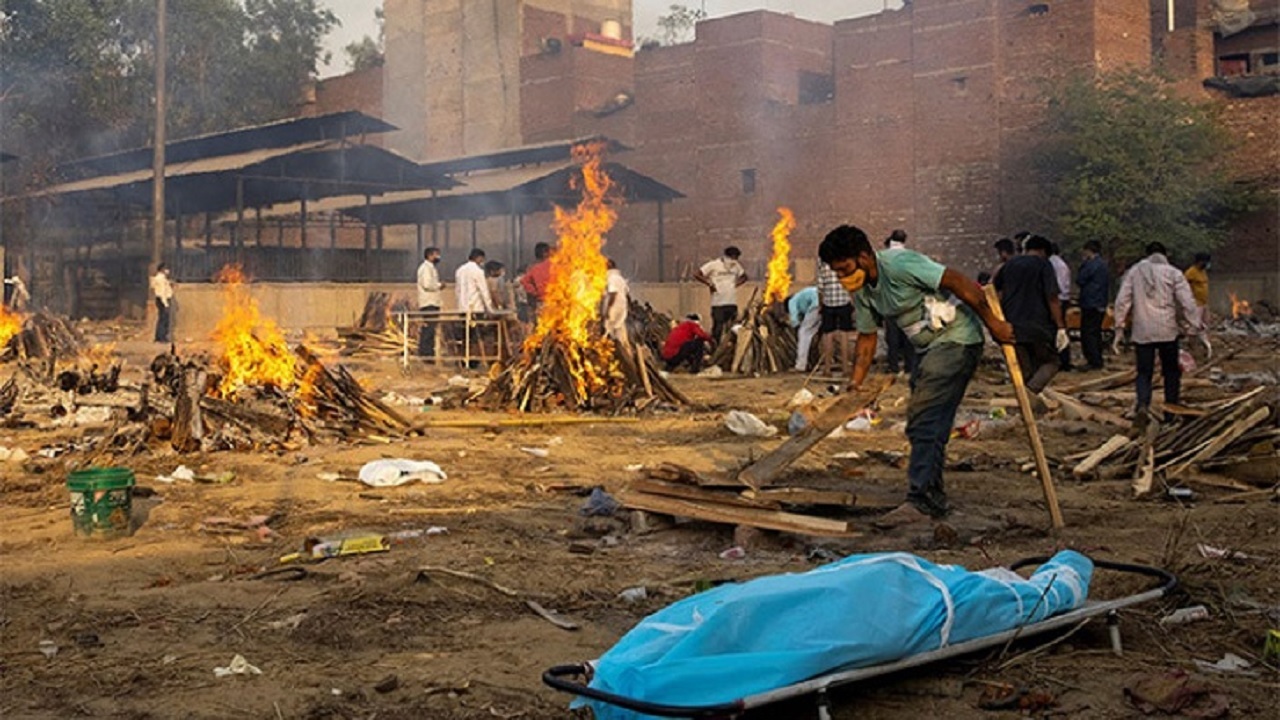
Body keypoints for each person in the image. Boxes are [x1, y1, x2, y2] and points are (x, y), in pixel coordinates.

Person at [818, 225, 1014, 527]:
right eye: (837, 273)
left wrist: (993, 325)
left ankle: (922, 500)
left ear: (864, 256)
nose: (843, 278)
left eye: (845, 269)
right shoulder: (864, 292)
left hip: (956, 339)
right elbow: (867, 338)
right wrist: (855, 384)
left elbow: (958, 282)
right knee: (931, 422)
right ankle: (931, 497)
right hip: (927, 349)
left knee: (924, 416)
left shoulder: (900, 264)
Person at [1114, 242, 1201, 426]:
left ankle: (1143, 406)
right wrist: (1193, 327)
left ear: (1147, 254)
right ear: (1165, 254)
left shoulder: (1134, 272)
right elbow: (1188, 302)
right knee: (1171, 372)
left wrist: (1119, 327)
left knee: (1144, 372)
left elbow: (1122, 300)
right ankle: (1170, 410)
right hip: (1167, 331)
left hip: (1142, 332)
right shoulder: (1173, 273)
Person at [993, 235, 1068, 394]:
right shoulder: (1043, 265)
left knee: (1025, 370)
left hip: (1013, 326)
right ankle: (1029, 394)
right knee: (1052, 362)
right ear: (1043, 251)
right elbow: (1052, 297)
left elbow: (994, 292)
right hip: (1039, 325)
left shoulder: (1009, 265)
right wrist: (1061, 327)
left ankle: (1027, 403)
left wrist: (998, 320)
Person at [694, 246, 748, 342]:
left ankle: (730, 347)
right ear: (727, 256)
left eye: (736, 258)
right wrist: (709, 284)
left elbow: (744, 277)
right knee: (718, 327)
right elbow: (697, 274)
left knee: (732, 327)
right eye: (733, 258)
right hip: (718, 303)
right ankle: (715, 347)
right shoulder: (713, 265)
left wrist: (735, 285)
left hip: (731, 302)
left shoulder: (736, 266)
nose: (734, 260)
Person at [882, 231, 917, 376]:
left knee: (892, 336)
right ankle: (910, 366)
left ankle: (893, 366)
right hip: (908, 301)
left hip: (890, 301)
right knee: (908, 334)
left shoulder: (883, 258)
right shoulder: (911, 257)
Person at [816, 260, 855, 377]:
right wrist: (852, 301)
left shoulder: (822, 262)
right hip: (844, 302)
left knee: (828, 335)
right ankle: (845, 369)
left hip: (828, 304)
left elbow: (820, 287)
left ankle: (827, 369)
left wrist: (820, 305)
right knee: (844, 335)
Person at [1076, 240, 1109, 370]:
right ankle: (1097, 358)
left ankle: (1092, 360)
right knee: (1096, 332)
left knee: (1088, 332)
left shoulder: (1090, 265)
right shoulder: (1103, 265)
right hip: (1100, 302)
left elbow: (1080, 279)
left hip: (1090, 302)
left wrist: (1083, 264)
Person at [1049, 243, 1073, 371]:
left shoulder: (1052, 264)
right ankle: (1063, 360)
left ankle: (1060, 360)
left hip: (1056, 301)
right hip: (1062, 300)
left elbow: (1056, 288)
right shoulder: (1062, 264)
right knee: (1061, 331)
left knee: (1057, 330)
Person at [416, 247, 443, 357]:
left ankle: (428, 353)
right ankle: (426, 353)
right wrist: (439, 285)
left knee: (431, 329)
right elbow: (427, 284)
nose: (438, 257)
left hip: (433, 302)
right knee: (429, 329)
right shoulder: (425, 268)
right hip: (428, 303)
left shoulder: (431, 268)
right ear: (430, 255)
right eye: (436, 254)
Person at [1184, 253, 1212, 356]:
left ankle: (1203, 346)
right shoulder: (1191, 272)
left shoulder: (1203, 272)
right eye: (1205, 262)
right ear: (1199, 262)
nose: (1207, 264)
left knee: (1204, 326)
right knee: (1194, 326)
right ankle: (1192, 348)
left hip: (1204, 303)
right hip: (1195, 304)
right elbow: (1184, 287)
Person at [787, 286, 820, 372]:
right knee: (810, 334)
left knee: (803, 333)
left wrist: (793, 324)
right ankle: (812, 363)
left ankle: (800, 365)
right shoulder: (801, 295)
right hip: (824, 304)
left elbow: (794, 320)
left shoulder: (792, 301)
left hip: (815, 306)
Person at [455, 249, 495, 315]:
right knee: (477, 325)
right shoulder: (478, 271)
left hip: (462, 308)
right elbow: (483, 290)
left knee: (464, 324)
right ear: (479, 257)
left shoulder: (460, 270)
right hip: (475, 308)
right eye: (482, 259)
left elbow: (457, 290)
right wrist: (489, 308)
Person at [519, 242, 553, 314]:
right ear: (545, 253)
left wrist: (535, 292)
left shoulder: (533, 268)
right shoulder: (555, 265)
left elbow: (524, 281)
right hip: (557, 302)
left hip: (542, 302)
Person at [603, 258, 630, 344]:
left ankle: (607, 348)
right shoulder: (620, 278)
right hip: (622, 306)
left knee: (608, 328)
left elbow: (613, 294)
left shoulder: (612, 278)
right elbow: (627, 293)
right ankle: (624, 347)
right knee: (619, 327)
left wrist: (608, 309)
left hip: (614, 307)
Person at [150, 263, 174, 343]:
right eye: (166, 268)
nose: (167, 270)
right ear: (162, 269)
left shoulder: (161, 278)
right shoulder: (161, 279)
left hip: (160, 299)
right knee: (164, 320)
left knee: (161, 319)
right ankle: (162, 337)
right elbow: (162, 291)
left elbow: (153, 287)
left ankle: (159, 337)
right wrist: (165, 304)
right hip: (163, 300)